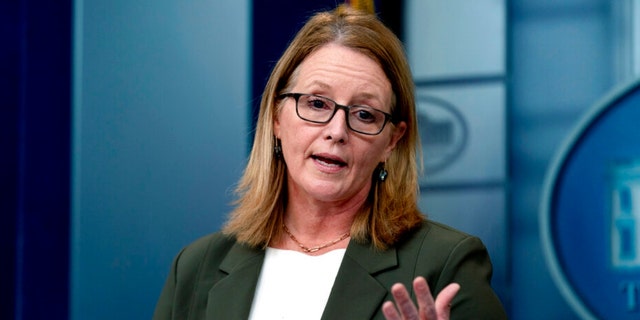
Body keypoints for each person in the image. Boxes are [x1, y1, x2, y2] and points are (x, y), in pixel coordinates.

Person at [153, 5, 507, 320]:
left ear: (392, 141)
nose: (337, 131)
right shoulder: (197, 268)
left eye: (365, 114)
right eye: (317, 104)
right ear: (277, 117)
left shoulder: (445, 266)